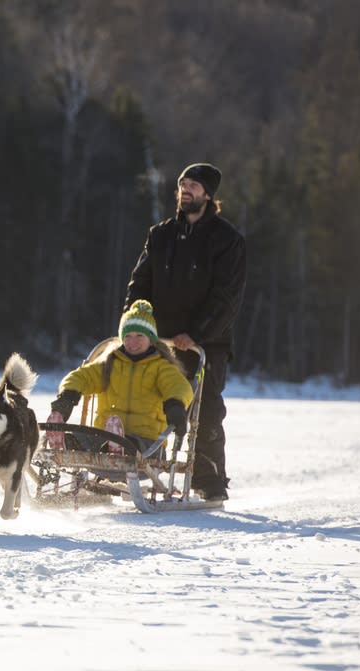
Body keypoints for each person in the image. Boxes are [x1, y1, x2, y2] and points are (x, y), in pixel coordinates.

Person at [122, 162, 247, 501]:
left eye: (193, 185)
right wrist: (133, 324)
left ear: (208, 195)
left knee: (203, 410)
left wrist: (196, 333)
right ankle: (131, 462)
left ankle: (209, 480)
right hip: (157, 340)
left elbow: (227, 297)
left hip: (206, 343)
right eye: (182, 185)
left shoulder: (227, 240)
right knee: (136, 397)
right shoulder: (160, 235)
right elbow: (140, 283)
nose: (185, 190)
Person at [46, 300, 193, 454]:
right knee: (87, 438)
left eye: (139, 335)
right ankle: (67, 442)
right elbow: (82, 376)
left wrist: (175, 404)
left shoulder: (161, 367)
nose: (133, 342)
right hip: (104, 435)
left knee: (132, 445)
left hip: (147, 442)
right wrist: (67, 396)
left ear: (151, 339)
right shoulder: (110, 363)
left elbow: (178, 385)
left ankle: (119, 447)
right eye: (127, 336)